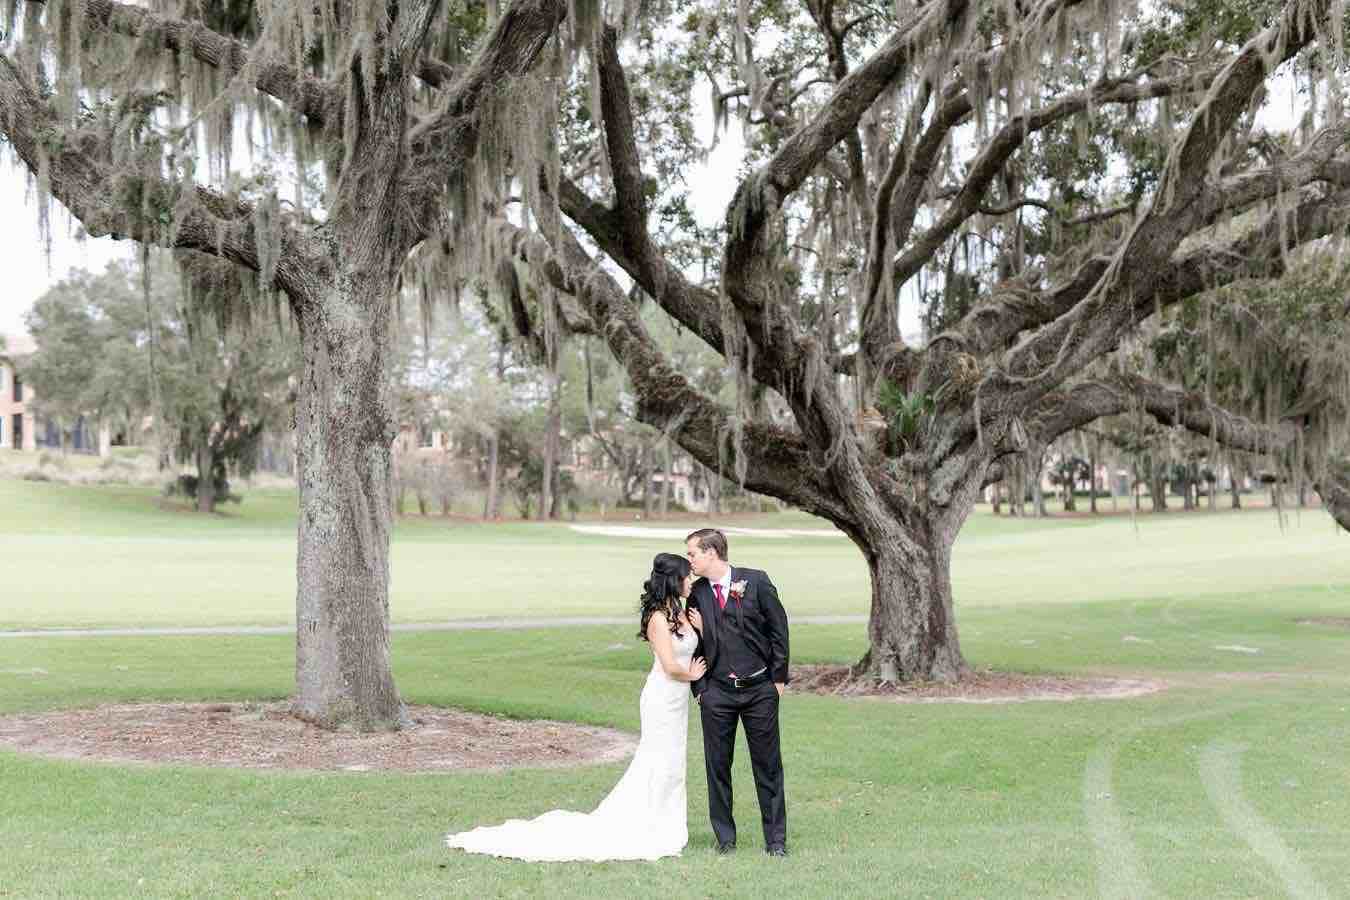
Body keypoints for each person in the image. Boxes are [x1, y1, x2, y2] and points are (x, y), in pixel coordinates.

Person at [444, 553, 706, 861]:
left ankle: (667, 820)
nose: (691, 581)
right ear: (674, 580)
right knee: (658, 758)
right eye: (687, 576)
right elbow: (669, 664)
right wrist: (691, 674)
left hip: (677, 701)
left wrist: (699, 629)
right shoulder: (658, 619)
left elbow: (692, 645)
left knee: (674, 761)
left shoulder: (684, 614)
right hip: (662, 696)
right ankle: (647, 822)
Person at [685, 527, 790, 857]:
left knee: (768, 766)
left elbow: (779, 630)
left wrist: (778, 680)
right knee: (717, 766)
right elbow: (693, 642)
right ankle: (725, 839)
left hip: (760, 689)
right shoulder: (698, 592)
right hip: (717, 693)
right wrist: (701, 689)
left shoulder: (756, 581)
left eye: (693, 553)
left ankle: (776, 841)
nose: (690, 560)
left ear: (712, 552)